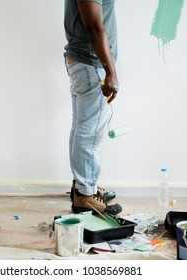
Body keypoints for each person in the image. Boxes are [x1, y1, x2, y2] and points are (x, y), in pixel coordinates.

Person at [64, 0, 122, 215]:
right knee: (89, 132)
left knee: (81, 127)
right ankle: (85, 195)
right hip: (91, 64)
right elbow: (94, 27)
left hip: (85, 62)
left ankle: (82, 186)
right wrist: (111, 72)